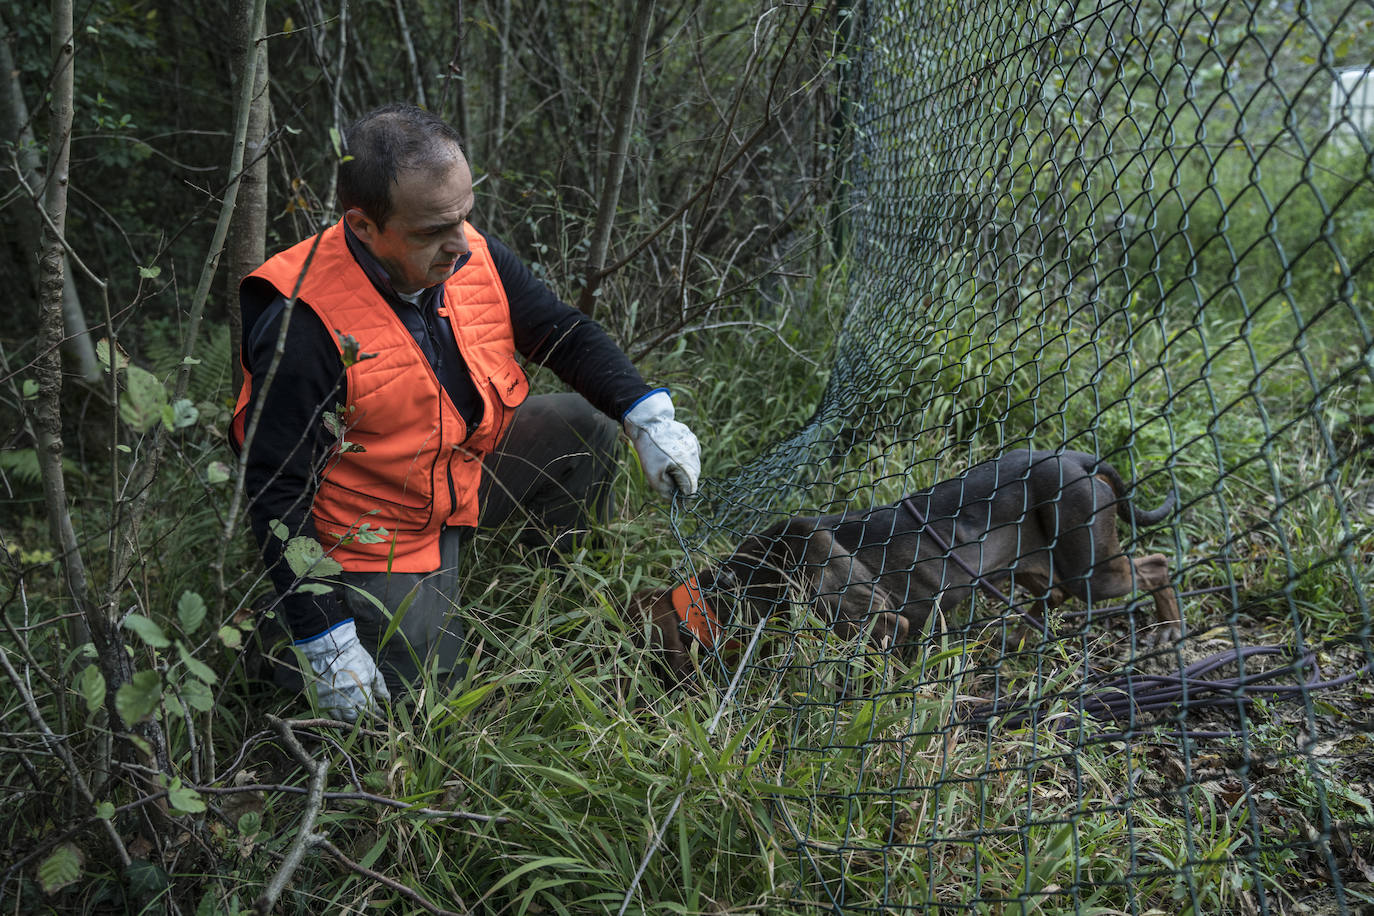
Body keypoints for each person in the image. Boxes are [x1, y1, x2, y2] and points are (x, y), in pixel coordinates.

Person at [230, 103, 700, 722]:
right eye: (430, 231)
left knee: (583, 428)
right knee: (421, 711)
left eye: (464, 216)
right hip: (380, 528)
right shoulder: (303, 325)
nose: (459, 245)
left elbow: (562, 331)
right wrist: (325, 640)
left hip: (458, 471)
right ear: (364, 226)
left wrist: (646, 414)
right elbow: (277, 493)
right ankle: (274, 642)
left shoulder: (467, 251)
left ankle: (562, 584)